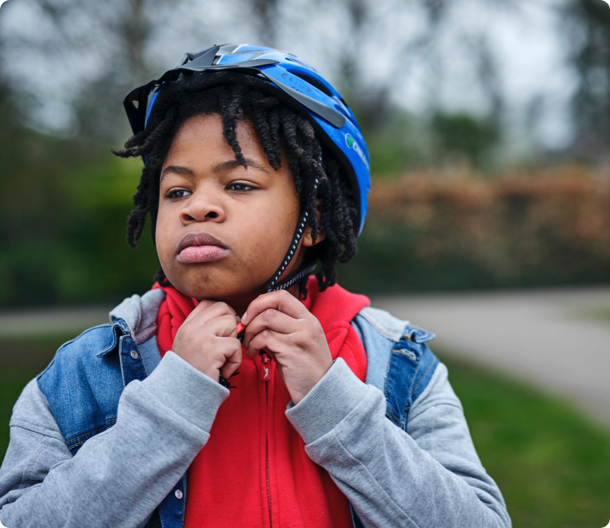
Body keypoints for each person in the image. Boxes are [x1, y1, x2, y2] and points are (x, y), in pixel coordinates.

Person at [0, 44, 511, 528]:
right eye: (176, 189)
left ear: (313, 221)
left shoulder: (400, 364)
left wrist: (332, 402)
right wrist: (171, 404)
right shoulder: (82, 374)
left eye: (239, 184)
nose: (197, 206)